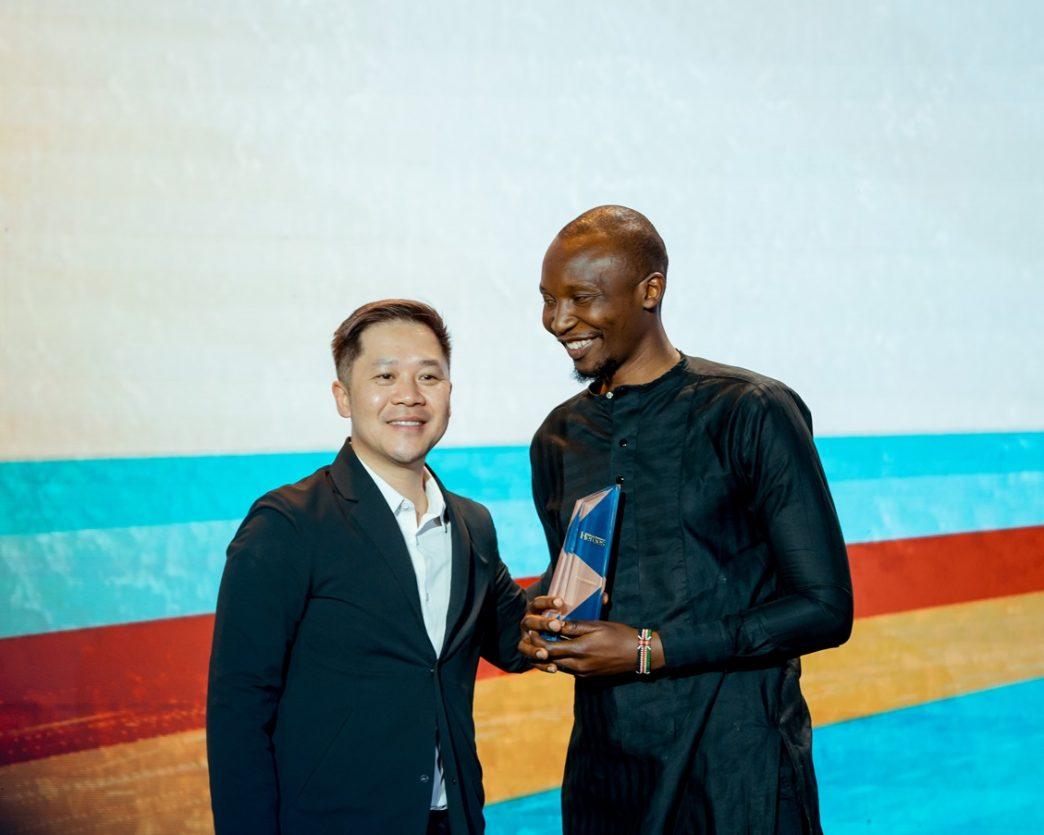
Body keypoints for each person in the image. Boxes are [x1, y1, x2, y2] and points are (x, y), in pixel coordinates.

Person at [518, 206, 853, 835]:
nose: (559, 321)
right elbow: (578, 584)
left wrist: (651, 650)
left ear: (651, 291)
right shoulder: (557, 438)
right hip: (607, 782)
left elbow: (825, 606)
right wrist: (544, 619)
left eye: (581, 298)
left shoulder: (751, 410)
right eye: (547, 299)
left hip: (739, 776)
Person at [207, 300, 528, 835]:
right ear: (343, 396)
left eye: (430, 376)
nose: (410, 395)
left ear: (450, 392)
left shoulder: (472, 524)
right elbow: (238, 713)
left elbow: (520, 641)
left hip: (453, 821)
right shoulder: (287, 524)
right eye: (385, 376)